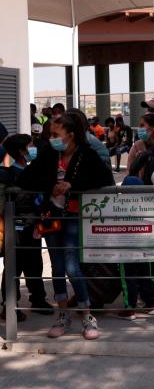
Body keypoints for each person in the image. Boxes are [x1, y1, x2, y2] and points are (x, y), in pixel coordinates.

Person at [18, 114, 115, 340]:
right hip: (50, 217)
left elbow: (104, 178)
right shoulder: (48, 154)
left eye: (55, 134)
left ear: (70, 135)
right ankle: (63, 315)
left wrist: (73, 185)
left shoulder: (86, 154)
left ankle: (87, 315)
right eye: (50, 134)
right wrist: (50, 186)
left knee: (72, 266)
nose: (51, 138)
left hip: (72, 216)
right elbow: (25, 179)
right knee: (57, 268)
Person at [0, 134, 52, 321]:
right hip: (17, 225)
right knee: (14, 264)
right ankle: (9, 305)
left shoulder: (28, 170)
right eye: (30, 146)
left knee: (34, 263)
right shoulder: (10, 174)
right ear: (21, 151)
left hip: (32, 225)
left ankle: (38, 299)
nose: (34, 149)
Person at [117, 175, 154, 320]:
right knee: (146, 275)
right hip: (144, 248)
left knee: (128, 278)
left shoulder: (118, 208)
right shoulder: (146, 207)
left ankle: (130, 309)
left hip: (125, 250)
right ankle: (151, 304)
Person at [127, 113, 154, 183]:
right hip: (140, 189)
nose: (139, 129)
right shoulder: (137, 146)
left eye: (142, 125)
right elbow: (129, 171)